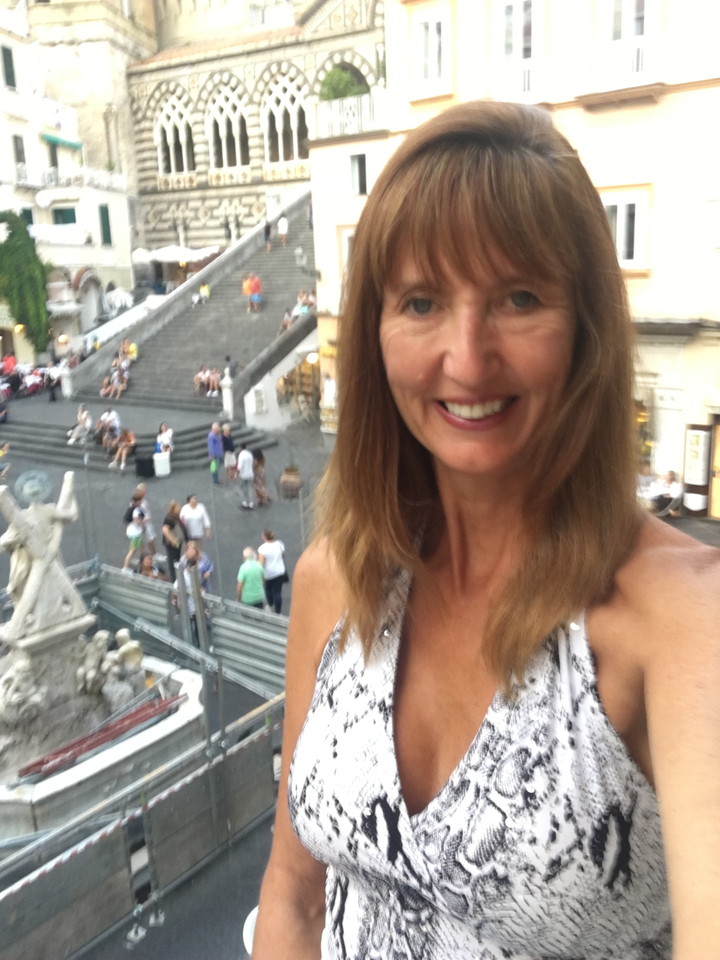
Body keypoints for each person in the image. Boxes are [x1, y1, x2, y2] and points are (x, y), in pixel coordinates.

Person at [251, 103, 720, 959]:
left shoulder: (685, 621)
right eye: (422, 301)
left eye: (519, 298)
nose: (467, 360)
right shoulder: (337, 579)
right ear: (376, 333)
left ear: (585, 331)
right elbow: (293, 898)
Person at [257, 529, 286, 613]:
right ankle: (278, 611)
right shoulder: (280, 544)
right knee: (277, 592)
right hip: (280, 572)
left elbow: (261, 564)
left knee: (268, 590)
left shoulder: (262, 549)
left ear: (265, 537)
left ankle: (270, 606)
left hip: (269, 574)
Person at [162, 499, 186, 585]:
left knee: (177, 559)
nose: (179, 508)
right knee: (172, 560)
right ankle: (174, 579)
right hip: (172, 544)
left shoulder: (176, 516)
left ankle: (177, 575)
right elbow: (165, 530)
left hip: (178, 543)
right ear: (173, 508)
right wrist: (173, 540)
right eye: (177, 507)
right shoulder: (169, 518)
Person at [122, 492, 145, 571]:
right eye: (141, 500)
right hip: (135, 533)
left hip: (132, 532)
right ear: (138, 501)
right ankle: (125, 568)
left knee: (142, 547)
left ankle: (143, 561)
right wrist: (143, 522)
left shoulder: (131, 507)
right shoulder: (136, 511)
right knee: (132, 551)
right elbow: (137, 522)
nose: (141, 502)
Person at [134, 483, 157, 554]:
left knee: (151, 538)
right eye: (143, 490)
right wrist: (143, 521)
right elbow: (135, 514)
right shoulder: (136, 501)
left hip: (147, 523)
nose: (145, 492)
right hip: (143, 524)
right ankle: (144, 556)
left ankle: (154, 554)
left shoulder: (143, 500)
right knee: (142, 541)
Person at [237, 443, 254, 509]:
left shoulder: (241, 455)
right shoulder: (249, 453)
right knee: (250, 488)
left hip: (243, 475)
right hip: (250, 474)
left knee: (239, 488)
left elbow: (239, 467)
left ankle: (244, 502)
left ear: (240, 447)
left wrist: (236, 475)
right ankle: (251, 503)